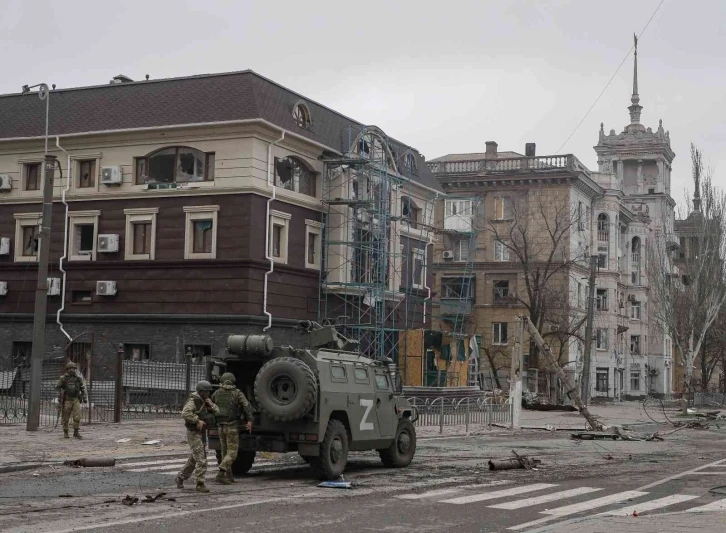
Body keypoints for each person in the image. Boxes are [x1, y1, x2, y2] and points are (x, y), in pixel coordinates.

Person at [176, 380, 218, 492]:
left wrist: (211, 405)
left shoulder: (205, 401)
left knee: (195, 459)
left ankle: (181, 477)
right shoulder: (193, 401)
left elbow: (217, 411)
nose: (208, 394)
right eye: (206, 392)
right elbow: (185, 413)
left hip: (202, 433)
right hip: (194, 433)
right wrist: (197, 420)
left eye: (209, 392)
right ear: (201, 391)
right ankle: (200, 483)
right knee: (201, 459)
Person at [211, 372, 253, 484]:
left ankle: (229, 476)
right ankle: (220, 474)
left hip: (220, 426)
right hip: (232, 426)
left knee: (224, 452)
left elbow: (211, 406)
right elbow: (246, 405)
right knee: (232, 453)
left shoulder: (217, 393)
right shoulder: (237, 393)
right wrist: (249, 420)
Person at [56, 362, 86, 439]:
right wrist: (60, 396)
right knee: (66, 417)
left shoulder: (78, 378)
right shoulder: (63, 378)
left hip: (75, 399)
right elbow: (57, 387)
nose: (72, 370)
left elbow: (83, 388)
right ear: (67, 369)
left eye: (73, 368)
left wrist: (84, 397)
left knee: (77, 416)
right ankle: (65, 432)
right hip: (67, 399)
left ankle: (76, 432)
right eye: (70, 368)